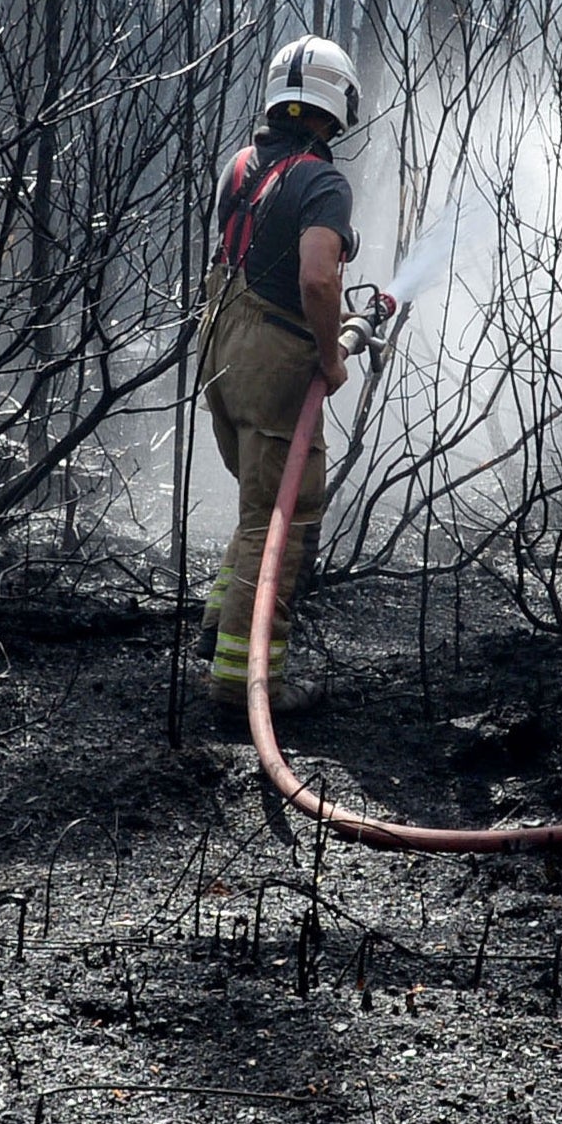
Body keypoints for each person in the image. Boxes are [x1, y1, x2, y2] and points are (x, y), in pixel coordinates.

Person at [200, 36, 363, 705]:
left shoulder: (241, 165)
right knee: (282, 518)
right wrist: (330, 358)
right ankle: (244, 685)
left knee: (254, 506)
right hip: (272, 363)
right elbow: (318, 279)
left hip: (219, 350)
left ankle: (216, 627)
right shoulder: (321, 181)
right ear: (335, 107)